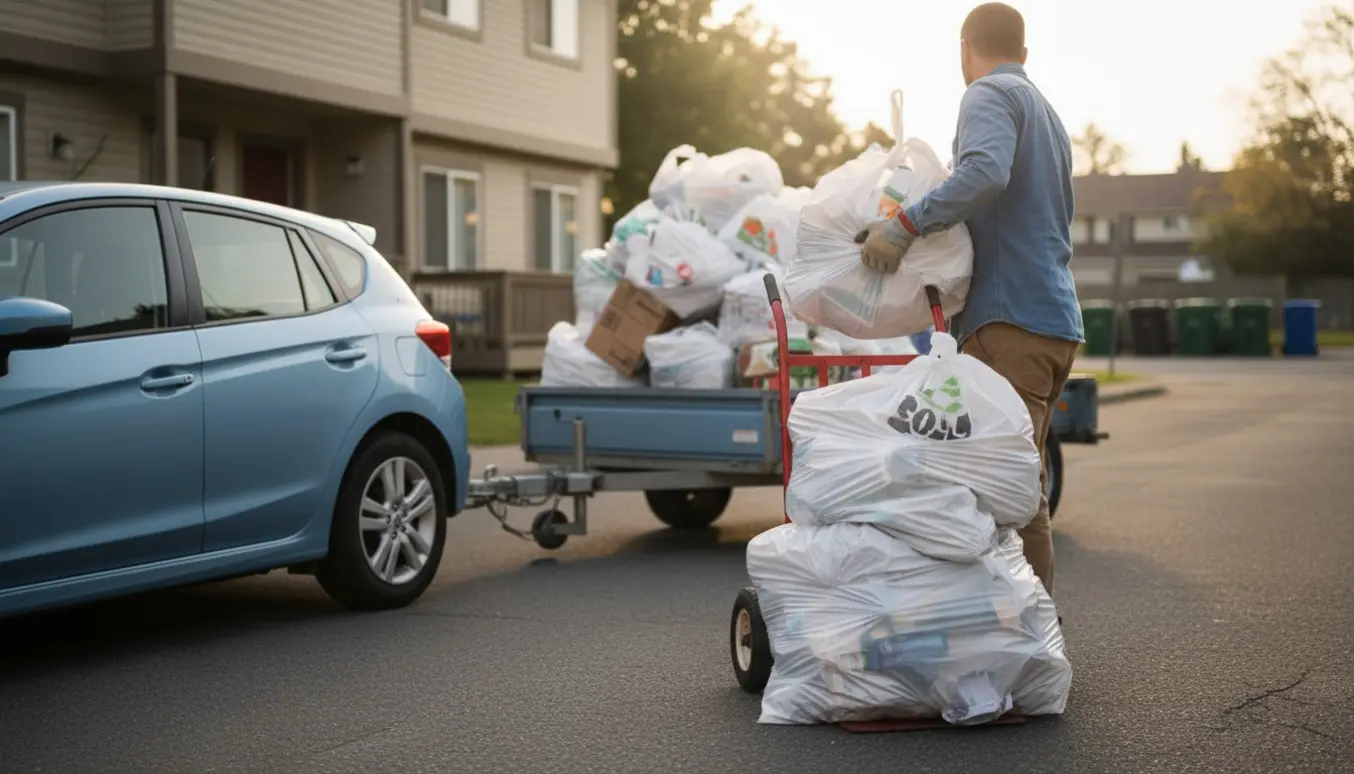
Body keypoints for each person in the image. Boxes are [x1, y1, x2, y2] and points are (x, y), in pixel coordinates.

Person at [859, 2, 1082, 597]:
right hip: (1053, 322)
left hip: (1011, 323)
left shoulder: (987, 95)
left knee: (1004, 491)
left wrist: (904, 225)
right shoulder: (1047, 113)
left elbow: (985, 173)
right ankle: (1023, 634)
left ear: (965, 47)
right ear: (1024, 52)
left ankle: (1026, 640)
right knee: (1019, 486)